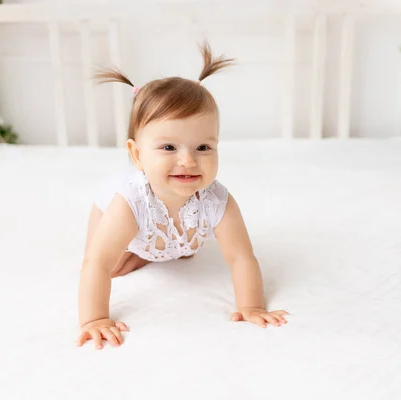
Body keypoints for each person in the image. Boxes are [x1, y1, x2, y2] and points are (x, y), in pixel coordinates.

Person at [77, 42, 289, 349]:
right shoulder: (128, 202)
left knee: (184, 247)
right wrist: (94, 319)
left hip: (172, 229)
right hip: (111, 210)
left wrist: (252, 306)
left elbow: (242, 257)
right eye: (168, 147)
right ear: (137, 155)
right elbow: (95, 264)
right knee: (111, 264)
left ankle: (169, 244)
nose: (188, 161)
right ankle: (140, 251)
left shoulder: (218, 202)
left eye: (203, 147)